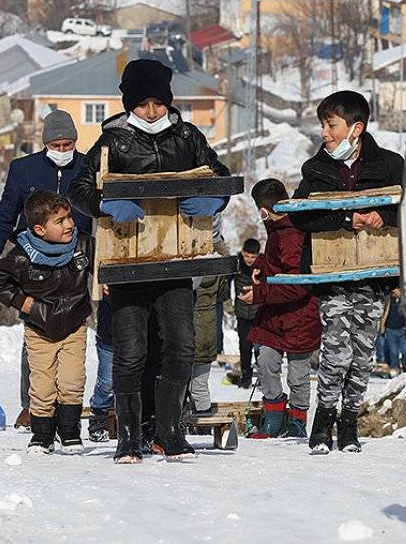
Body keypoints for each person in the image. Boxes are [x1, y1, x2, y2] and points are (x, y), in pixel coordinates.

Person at [69, 58, 230, 462]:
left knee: (180, 345)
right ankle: (129, 435)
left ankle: (169, 432)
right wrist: (107, 204)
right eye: (143, 105)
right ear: (129, 104)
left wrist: (216, 196)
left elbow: (221, 174)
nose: (152, 112)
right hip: (128, 262)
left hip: (177, 260)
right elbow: (79, 189)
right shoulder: (113, 142)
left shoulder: (188, 137)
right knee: (131, 350)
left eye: (159, 103)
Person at [289, 90, 404, 454]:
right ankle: (323, 418)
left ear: (356, 128)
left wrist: (382, 216)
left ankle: (350, 421)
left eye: (331, 125)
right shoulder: (316, 170)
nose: (324, 132)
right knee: (336, 350)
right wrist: (344, 218)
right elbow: (300, 214)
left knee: (362, 352)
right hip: (333, 273)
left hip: (373, 274)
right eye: (323, 124)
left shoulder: (389, 165)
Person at [0, 109, 95, 433]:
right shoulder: (23, 169)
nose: (63, 150)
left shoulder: (87, 167)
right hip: (33, 257)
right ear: (46, 144)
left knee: (71, 327)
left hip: (75, 256)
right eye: (57, 144)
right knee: (37, 329)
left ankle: (65, 405)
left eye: (68, 143)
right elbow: (5, 214)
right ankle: (31, 406)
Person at [0, 191, 94, 454]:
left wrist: (106, 280)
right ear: (40, 229)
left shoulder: (83, 245)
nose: (69, 224)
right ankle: (42, 435)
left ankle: (69, 433)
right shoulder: (22, 256)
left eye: (69, 218)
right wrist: (25, 303)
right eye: (60, 221)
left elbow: (103, 263)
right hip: (39, 330)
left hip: (74, 326)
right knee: (42, 387)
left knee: (72, 381)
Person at [240, 179, 321, 438]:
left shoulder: (294, 233)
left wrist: (259, 294)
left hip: (300, 314)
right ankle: (274, 415)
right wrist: (261, 265)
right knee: (265, 361)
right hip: (275, 313)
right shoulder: (276, 227)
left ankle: (296, 420)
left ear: (263, 210)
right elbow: (276, 263)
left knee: (298, 374)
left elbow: (298, 285)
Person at [191, 272, 230, 416]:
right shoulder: (216, 267)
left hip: (184, 325)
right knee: (200, 385)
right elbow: (223, 294)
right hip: (208, 326)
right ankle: (203, 416)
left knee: (179, 381)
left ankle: (179, 418)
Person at [233, 238, 262, 388]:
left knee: (260, 347)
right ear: (243, 252)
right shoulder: (236, 264)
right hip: (242, 313)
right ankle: (246, 375)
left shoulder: (262, 266)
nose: (250, 260)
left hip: (259, 313)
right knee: (245, 346)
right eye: (247, 256)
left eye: (253, 257)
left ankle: (263, 375)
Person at [379, 287, 406, 377]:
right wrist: (382, 328)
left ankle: (405, 366)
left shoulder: (405, 300)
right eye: (398, 290)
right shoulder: (388, 299)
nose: (400, 292)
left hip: (402, 329)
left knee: (405, 351)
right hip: (390, 330)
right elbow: (383, 313)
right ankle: (394, 369)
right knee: (393, 351)